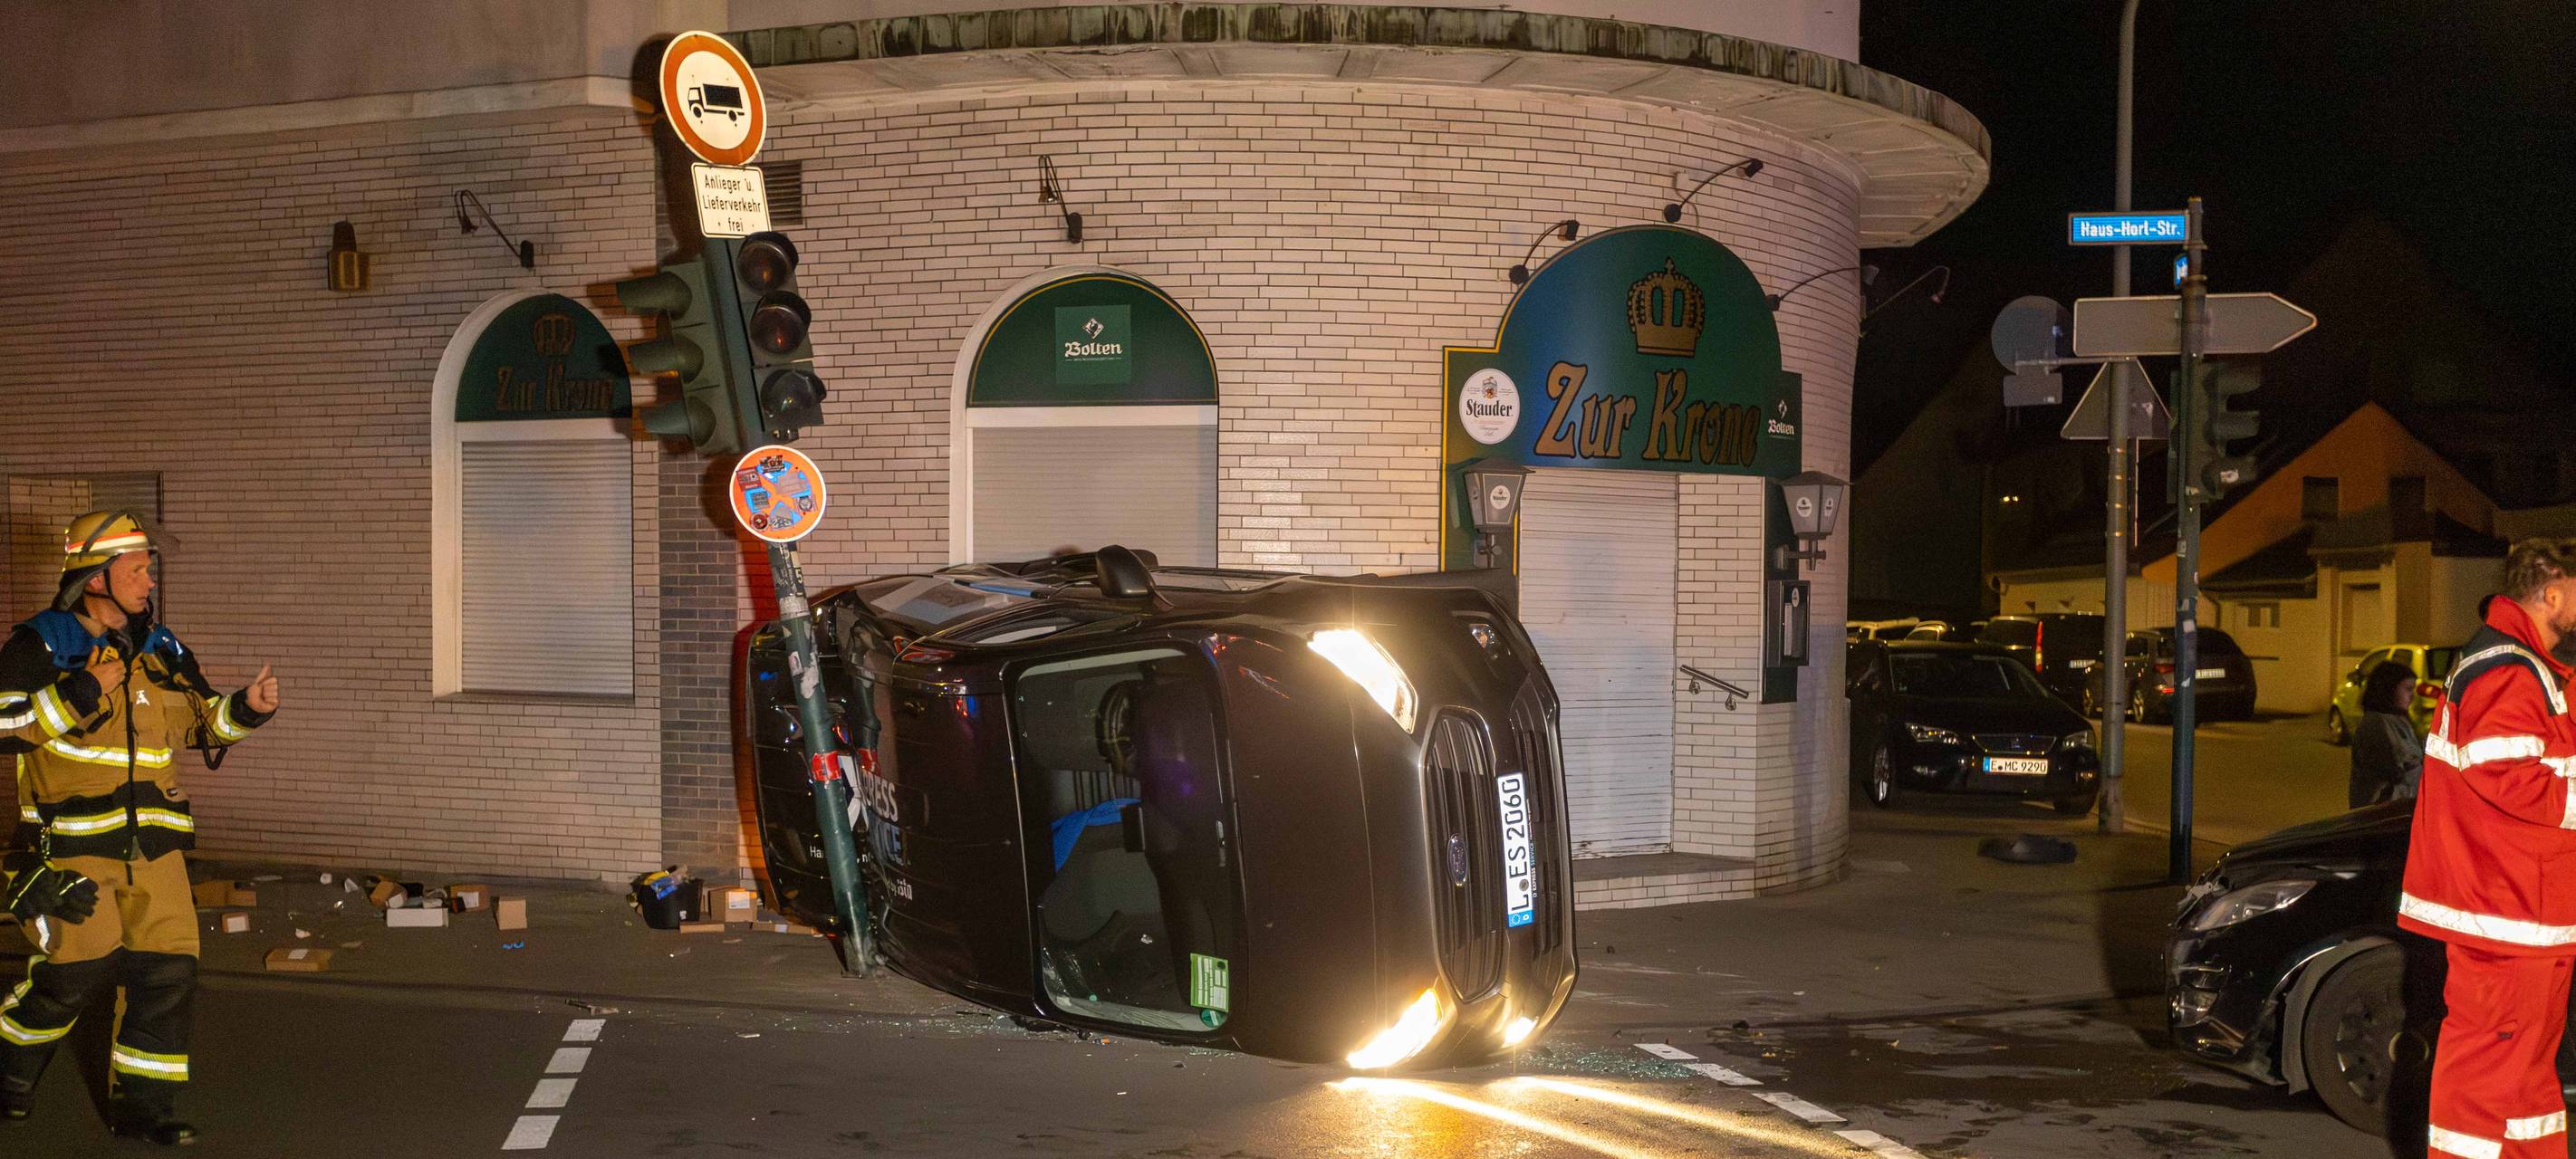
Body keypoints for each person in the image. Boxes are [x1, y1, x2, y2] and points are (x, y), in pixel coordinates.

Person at [0, 512, 280, 1145]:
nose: (149, 579)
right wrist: (72, 696)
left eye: (149, 566)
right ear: (95, 576)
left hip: (155, 852)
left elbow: (201, 722)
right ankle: (9, 1072)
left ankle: (145, 1111)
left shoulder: (160, 647)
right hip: (72, 852)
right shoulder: (42, 645)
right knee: (70, 978)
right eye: (138, 567)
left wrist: (245, 709)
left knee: (166, 978)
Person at [2398, 538, 2576, 1158]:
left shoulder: (2532, 666)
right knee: (2483, 1079)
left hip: (2533, 911)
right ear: (2552, 594)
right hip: (2504, 910)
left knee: (2527, 1080)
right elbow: (2509, 775)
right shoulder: (2506, 666)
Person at [2350, 660, 2426, 808]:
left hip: (2399, 810)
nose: (2412, 696)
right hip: (2378, 815)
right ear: (2389, 689)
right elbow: (2393, 770)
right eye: (2408, 689)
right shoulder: (2374, 724)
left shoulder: (2402, 721)